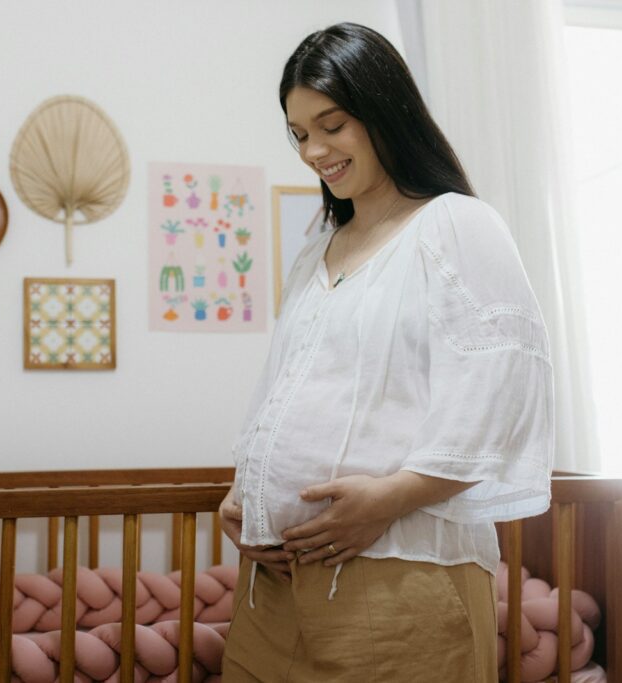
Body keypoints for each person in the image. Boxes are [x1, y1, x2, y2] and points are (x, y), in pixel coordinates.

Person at [219, 22, 554, 682]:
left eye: (332, 125)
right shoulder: (319, 247)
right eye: (299, 133)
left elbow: (502, 388)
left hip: (401, 574)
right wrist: (244, 492)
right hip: (277, 585)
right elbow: (283, 385)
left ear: (384, 109)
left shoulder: (454, 225)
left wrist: (389, 498)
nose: (314, 149)